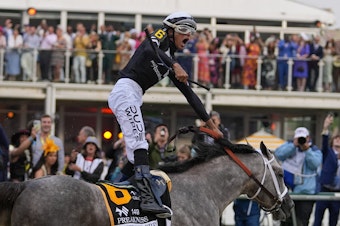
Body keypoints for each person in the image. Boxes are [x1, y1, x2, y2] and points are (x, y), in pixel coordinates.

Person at [107, 11, 223, 217]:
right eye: (185, 30)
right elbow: (151, 49)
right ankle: (146, 198)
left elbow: (191, 96)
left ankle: (113, 189)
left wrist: (213, 128)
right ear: (171, 30)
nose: (189, 36)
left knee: (136, 157)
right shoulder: (159, 37)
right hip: (125, 91)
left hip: (133, 95)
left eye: (192, 32)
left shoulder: (169, 58)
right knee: (140, 144)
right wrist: (174, 65)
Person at [275, 127, 322, 226]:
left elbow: (315, 164)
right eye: (298, 138)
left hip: (305, 193)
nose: (301, 140)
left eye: (303, 138)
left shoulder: (314, 150)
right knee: (286, 221)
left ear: (308, 138)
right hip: (286, 192)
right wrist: (293, 146)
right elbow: (278, 154)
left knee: (302, 221)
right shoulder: (288, 145)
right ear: (294, 138)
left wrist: (307, 150)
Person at [313, 114, 340, 226]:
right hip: (325, 189)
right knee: (318, 220)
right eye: (336, 138)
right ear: (333, 141)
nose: (338, 140)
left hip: (337, 193)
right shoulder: (328, 152)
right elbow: (324, 141)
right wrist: (326, 127)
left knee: (333, 221)